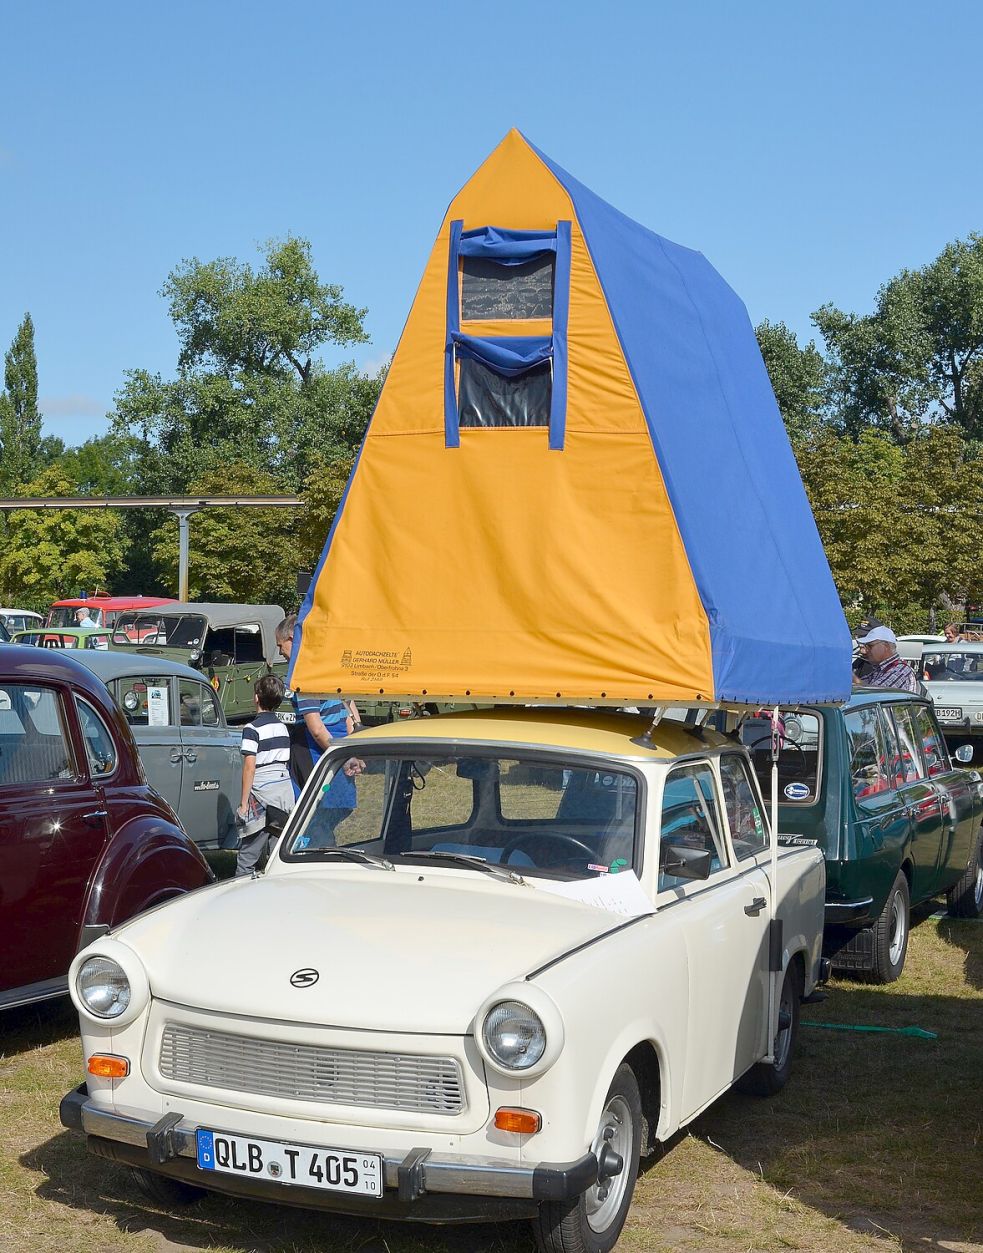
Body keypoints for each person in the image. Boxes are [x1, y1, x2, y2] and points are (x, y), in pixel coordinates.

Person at [275, 614, 356, 792]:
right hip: (338, 745)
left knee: (317, 807)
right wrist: (353, 751)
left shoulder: (304, 673)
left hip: (318, 751)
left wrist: (344, 757)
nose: (281, 652)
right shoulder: (331, 664)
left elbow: (317, 730)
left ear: (292, 638)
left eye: (281, 646)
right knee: (339, 805)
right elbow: (350, 712)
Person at [235, 674, 295, 876]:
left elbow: (249, 767)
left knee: (247, 857)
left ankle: (240, 896)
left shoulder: (251, 730)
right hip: (283, 794)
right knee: (277, 855)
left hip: (261, 795)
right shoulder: (283, 728)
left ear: (256, 698)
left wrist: (244, 805)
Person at [853, 626, 920, 693]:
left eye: (870, 646)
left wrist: (851, 676)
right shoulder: (881, 669)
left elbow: (874, 694)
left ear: (885, 647)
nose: (866, 650)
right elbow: (861, 684)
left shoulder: (899, 672)